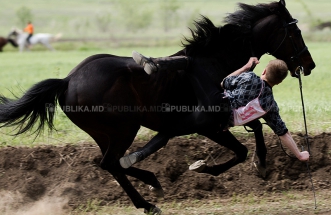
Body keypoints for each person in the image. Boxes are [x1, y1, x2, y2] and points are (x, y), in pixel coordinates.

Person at [132, 52, 310, 163]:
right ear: (278, 83)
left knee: (192, 62)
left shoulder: (250, 78)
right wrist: (300, 155)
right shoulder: (270, 105)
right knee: (173, 129)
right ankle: (140, 155)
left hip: (216, 104)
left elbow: (224, 83)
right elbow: (283, 132)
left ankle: (155, 64)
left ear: (264, 71)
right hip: (220, 125)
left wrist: (246, 67)